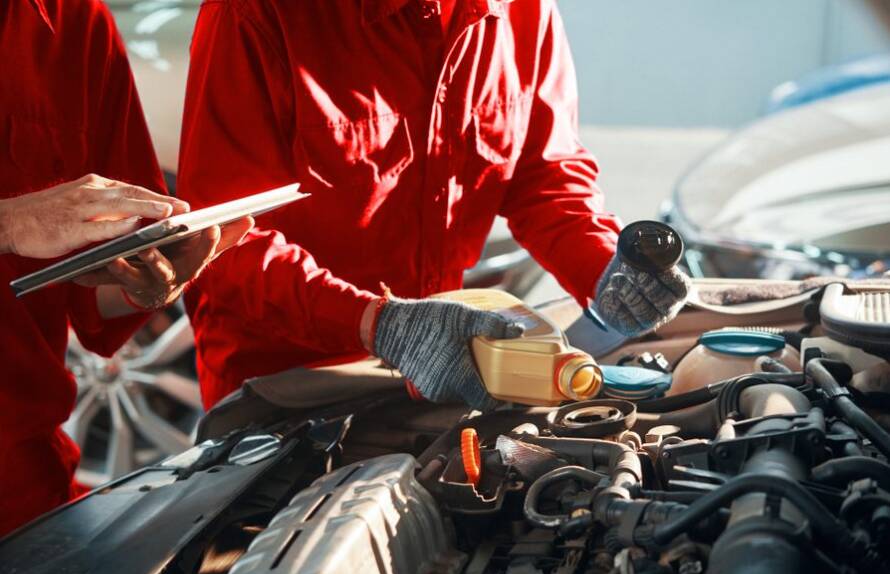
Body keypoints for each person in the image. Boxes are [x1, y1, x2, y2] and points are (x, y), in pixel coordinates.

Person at [178, 0, 689, 410]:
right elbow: (223, 242)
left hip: (448, 368)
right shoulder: (254, 12)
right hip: (288, 391)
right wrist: (376, 322)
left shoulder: (521, 9)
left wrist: (605, 269)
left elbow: (542, 174)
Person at [0, 0, 251, 536]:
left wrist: (158, 277)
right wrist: (10, 224)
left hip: (28, 487)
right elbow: (23, 229)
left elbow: (90, 294)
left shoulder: (76, 25)